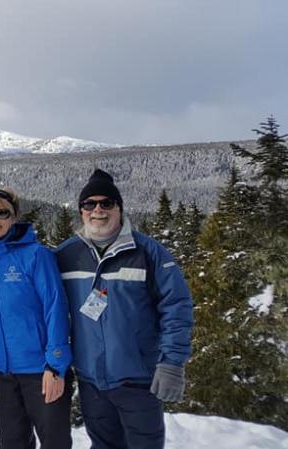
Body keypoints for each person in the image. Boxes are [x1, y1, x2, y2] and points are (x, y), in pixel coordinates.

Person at [55, 169, 194, 449]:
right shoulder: (66, 255)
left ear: (119, 208)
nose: (98, 210)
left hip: (138, 380)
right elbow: (42, 308)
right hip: (91, 380)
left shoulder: (148, 252)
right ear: (81, 211)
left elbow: (176, 308)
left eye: (106, 203)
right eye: (89, 204)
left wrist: (172, 362)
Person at [0, 188, 73, 449]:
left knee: (55, 443)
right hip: (4, 372)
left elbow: (55, 308)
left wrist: (55, 366)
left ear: (14, 216)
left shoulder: (36, 255)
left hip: (42, 371)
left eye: (2, 212)